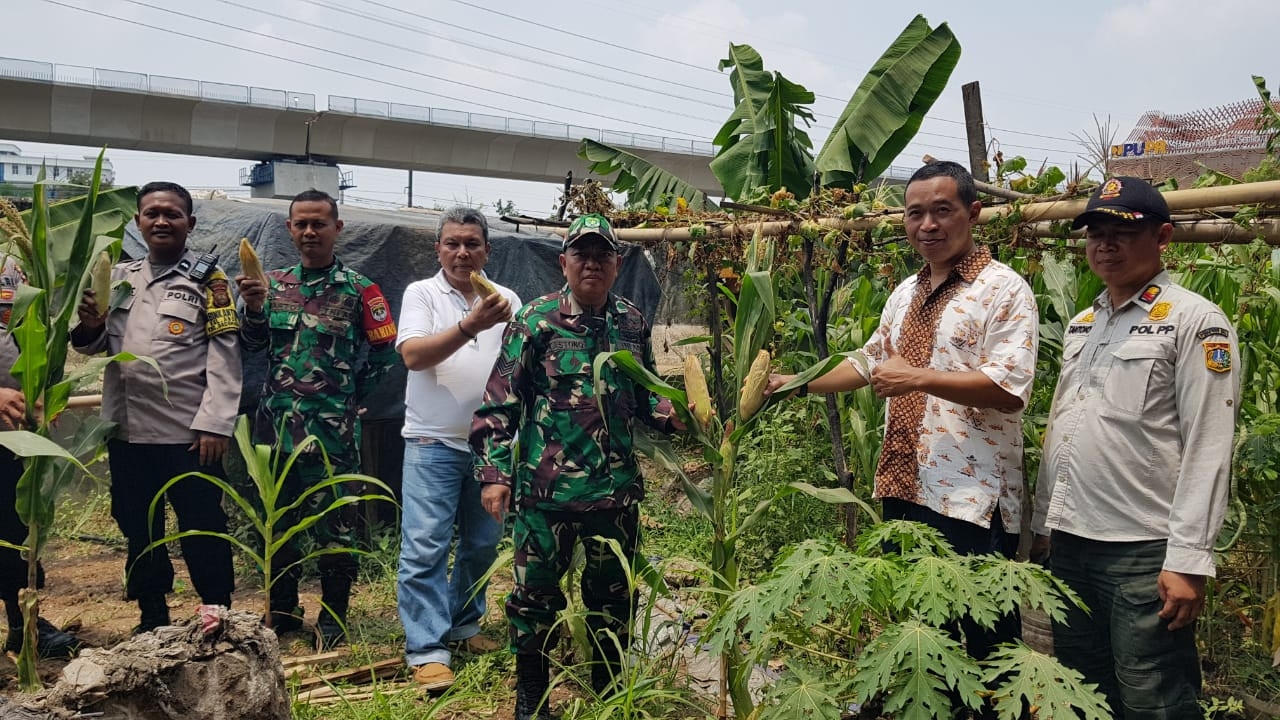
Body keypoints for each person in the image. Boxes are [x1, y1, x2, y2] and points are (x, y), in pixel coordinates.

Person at [766, 161, 1038, 670]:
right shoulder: (904, 293)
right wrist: (794, 384)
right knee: (921, 633)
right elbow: (868, 362)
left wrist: (917, 377)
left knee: (986, 640)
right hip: (905, 487)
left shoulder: (1002, 290)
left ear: (973, 213)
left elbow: (1008, 389)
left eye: (942, 211)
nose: (927, 226)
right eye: (916, 214)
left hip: (971, 500)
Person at [1031, 177, 1239, 718]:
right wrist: (1041, 526)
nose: (1105, 245)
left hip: (1142, 551)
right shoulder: (1083, 324)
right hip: (1070, 544)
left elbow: (1209, 445)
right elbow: (1064, 428)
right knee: (1083, 689)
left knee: (1153, 696)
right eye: (1096, 234)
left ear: (1163, 236)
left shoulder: (1193, 321)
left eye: (1122, 233)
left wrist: (1189, 560)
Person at [471, 214, 683, 720]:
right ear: (563, 262)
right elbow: (500, 402)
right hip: (547, 496)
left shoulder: (630, 321)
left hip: (615, 493)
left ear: (618, 262)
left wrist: (673, 414)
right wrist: (496, 475)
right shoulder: (536, 321)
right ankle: (532, 700)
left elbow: (642, 393)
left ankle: (609, 694)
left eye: (602, 255)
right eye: (581, 255)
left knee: (612, 598)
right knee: (533, 599)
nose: (592, 263)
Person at [72, 181, 240, 633]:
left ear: (191, 223)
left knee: (202, 525)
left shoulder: (210, 281)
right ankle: (152, 615)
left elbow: (225, 358)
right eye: (152, 214)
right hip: (128, 432)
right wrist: (89, 325)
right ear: (138, 222)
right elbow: (89, 346)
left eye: (172, 214)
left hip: (188, 436)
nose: (161, 221)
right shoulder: (118, 279)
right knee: (138, 528)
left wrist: (215, 425)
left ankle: (216, 612)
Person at [235, 189, 398, 650]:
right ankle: (283, 611)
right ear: (290, 229)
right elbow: (251, 347)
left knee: (336, 527)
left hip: (333, 435)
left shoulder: (360, 290)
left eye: (319, 223)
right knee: (278, 524)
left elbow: (386, 354)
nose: (309, 232)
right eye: (301, 224)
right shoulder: (271, 285)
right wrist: (251, 309)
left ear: (337, 229)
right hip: (275, 433)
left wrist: (350, 397)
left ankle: (333, 617)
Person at [396, 207, 517, 691]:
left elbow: (517, 367)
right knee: (425, 545)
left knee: (482, 544)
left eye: (472, 243)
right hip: (432, 440)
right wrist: (470, 324)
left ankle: (464, 626)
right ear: (438, 249)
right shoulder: (422, 294)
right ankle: (426, 649)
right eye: (452, 243)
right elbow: (413, 355)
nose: (462, 252)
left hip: (490, 445)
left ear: (488, 250)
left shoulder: (507, 299)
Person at [0, 257, 80, 658]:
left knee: (12, 531)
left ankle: (23, 625)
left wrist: (39, 390)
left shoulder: (11, 268)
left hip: (10, 435)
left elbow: (26, 337)